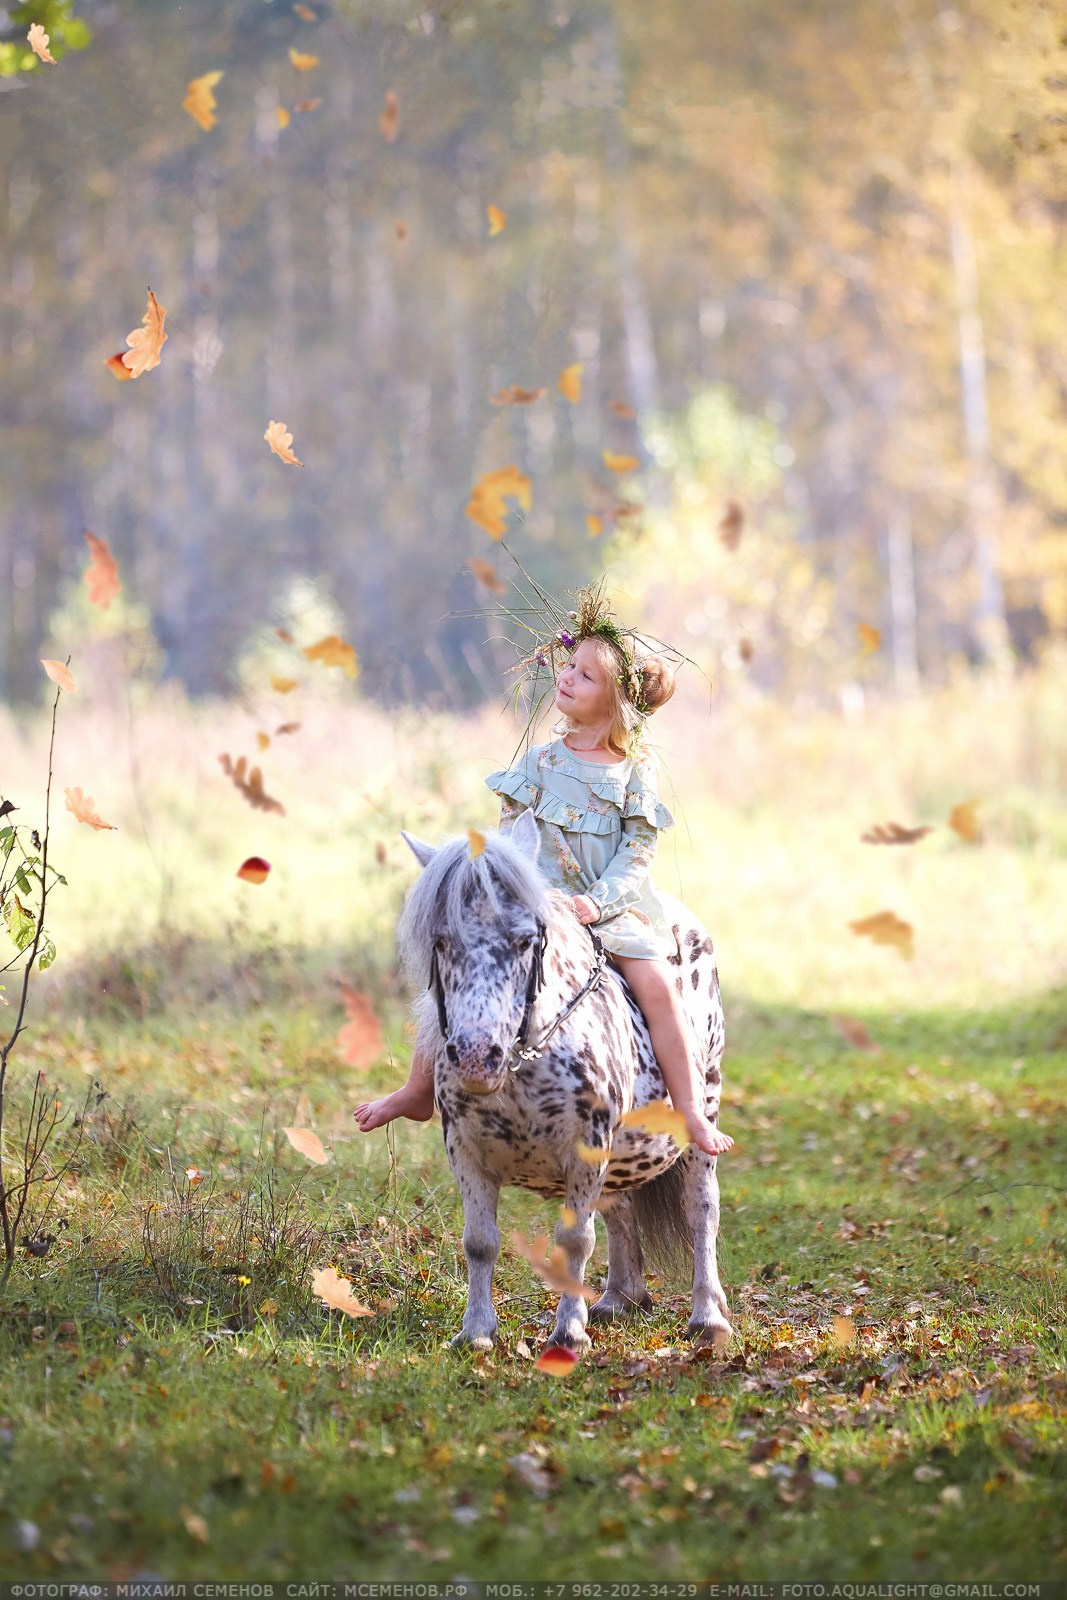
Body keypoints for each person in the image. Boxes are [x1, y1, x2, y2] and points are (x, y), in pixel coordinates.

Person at [355, 594, 732, 1158]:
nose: (568, 678)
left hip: (611, 911)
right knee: (462, 970)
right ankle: (418, 1089)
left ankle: (690, 1111)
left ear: (617, 703)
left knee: (657, 990)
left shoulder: (634, 774)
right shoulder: (536, 765)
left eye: (585, 675)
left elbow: (637, 852)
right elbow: (511, 843)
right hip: (538, 907)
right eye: (569, 666)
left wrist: (597, 902)